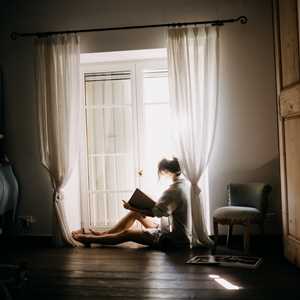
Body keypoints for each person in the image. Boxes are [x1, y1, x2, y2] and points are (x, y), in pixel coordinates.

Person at [72, 157, 191, 250]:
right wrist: (138, 208)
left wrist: (132, 207)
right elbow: (165, 208)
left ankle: (90, 239)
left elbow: (155, 213)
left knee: (127, 233)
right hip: (166, 230)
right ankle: (103, 234)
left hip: (172, 239)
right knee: (134, 215)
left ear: (166, 171)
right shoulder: (183, 185)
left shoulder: (173, 191)